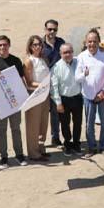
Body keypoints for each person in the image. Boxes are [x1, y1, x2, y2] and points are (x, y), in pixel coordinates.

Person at [0, 35, 28, 169]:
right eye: (0, 45)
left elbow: (21, 80)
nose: (3, 47)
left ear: (9, 45)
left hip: (14, 100)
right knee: (1, 130)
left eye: (5, 45)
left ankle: (19, 155)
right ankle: (4, 157)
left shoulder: (15, 61)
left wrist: (23, 98)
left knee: (16, 128)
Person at [76, 29, 104, 157]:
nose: (92, 44)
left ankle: (103, 146)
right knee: (89, 124)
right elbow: (77, 78)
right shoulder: (81, 57)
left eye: (95, 41)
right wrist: (83, 75)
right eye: (89, 41)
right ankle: (91, 147)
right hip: (88, 96)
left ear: (99, 42)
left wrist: (103, 91)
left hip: (103, 96)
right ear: (86, 42)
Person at [50, 43, 83, 156]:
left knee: (78, 122)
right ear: (60, 54)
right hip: (64, 100)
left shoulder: (78, 62)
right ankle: (67, 143)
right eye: (65, 53)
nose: (67, 54)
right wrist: (58, 103)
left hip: (77, 98)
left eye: (69, 52)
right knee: (65, 123)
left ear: (73, 52)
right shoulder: (56, 67)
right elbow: (54, 87)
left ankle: (77, 143)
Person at [23, 35, 51, 161]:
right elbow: (28, 82)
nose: (38, 46)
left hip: (45, 94)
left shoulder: (43, 58)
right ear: (30, 46)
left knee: (43, 123)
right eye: (35, 44)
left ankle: (41, 148)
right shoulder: (28, 61)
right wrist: (43, 85)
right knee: (33, 125)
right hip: (34, 94)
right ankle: (33, 153)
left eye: (39, 44)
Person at [41, 19, 66, 148]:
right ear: (45, 30)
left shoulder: (61, 43)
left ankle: (55, 138)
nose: (52, 32)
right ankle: (40, 140)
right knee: (43, 113)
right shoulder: (39, 44)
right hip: (43, 84)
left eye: (54, 30)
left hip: (58, 84)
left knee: (56, 112)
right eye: (49, 29)